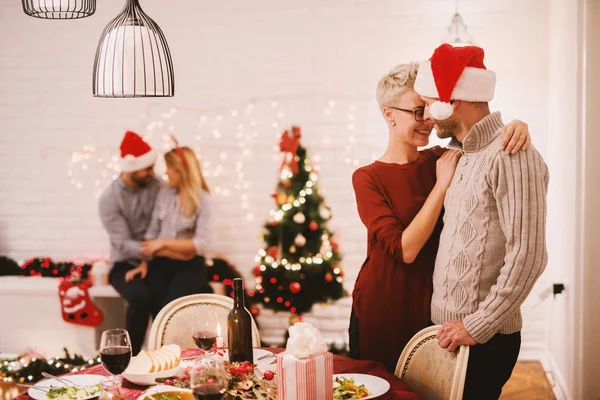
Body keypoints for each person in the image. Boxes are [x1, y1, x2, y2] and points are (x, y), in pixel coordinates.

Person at [349, 62, 531, 373]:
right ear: (389, 114)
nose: (428, 119)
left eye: (430, 108)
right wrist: (441, 185)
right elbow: (404, 249)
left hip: (434, 307)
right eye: (418, 111)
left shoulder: (443, 157)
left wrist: (517, 125)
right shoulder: (367, 177)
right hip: (385, 304)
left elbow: (483, 135)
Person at [414, 44, 549, 399]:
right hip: (449, 333)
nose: (426, 116)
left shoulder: (512, 154)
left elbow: (529, 254)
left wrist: (478, 325)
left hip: (482, 340)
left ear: (453, 100)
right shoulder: (463, 154)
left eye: (429, 103)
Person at [125, 138, 212, 316]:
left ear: (180, 171)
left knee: (172, 312)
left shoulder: (202, 198)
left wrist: (163, 244)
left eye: (169, 169)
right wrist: (144, 263)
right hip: (160, 263)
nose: (166, 173)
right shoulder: (164, 193)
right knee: (158, 315)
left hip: (189, 266)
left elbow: (201, 244)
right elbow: (152, 232)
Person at [98, 130, 163, 355]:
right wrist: (151, 249)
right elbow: (122, 242)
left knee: (163, 298)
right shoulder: (109, 199)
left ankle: (163, 357)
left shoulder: (156, 186)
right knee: (141, 296)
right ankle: (131, 358)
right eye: (147, 169)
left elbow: (165, 223)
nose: (152, 173)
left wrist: (154, 253)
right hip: (124, 264)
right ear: (131, 168)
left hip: (156, 260)